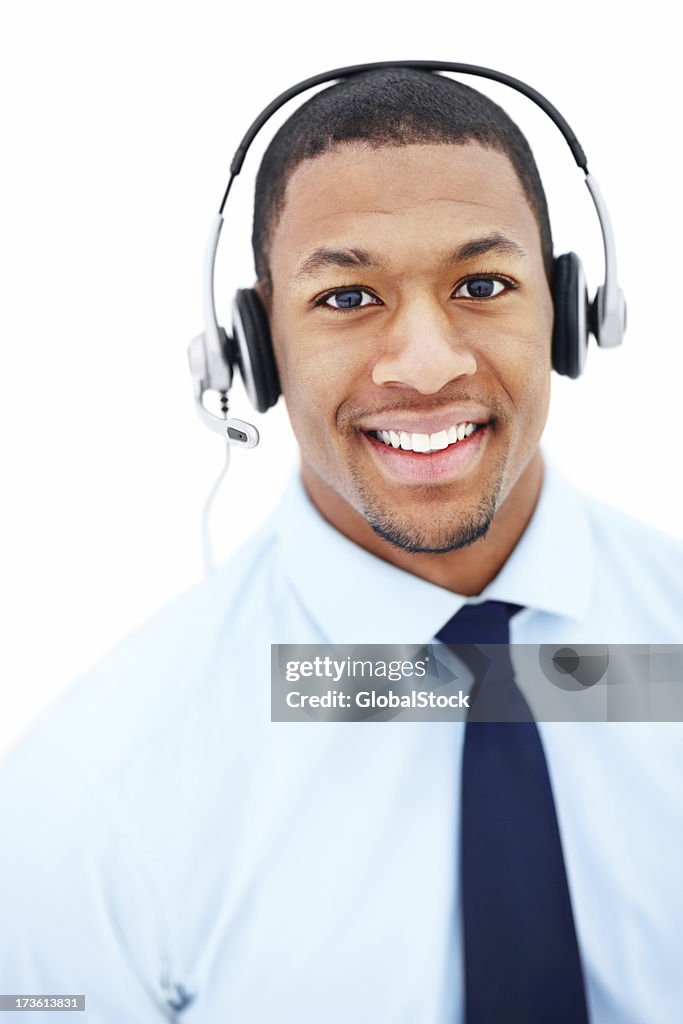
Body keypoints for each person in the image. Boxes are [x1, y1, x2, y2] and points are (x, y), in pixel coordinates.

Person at [1, 65, 682, 1024]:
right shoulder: (84, 810)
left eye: (482, 284)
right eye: (346, 297)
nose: (427, 364)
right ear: (250, 349)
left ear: (572, 313)